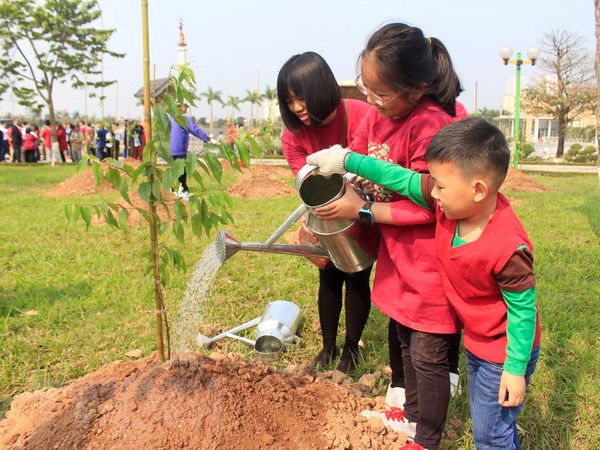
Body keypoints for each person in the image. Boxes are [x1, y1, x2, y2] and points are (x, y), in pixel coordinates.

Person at [307, 117, 541, 450]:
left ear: (478, 190)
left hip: (505, 350)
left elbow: (523, 310)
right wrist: (345, 159)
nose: (433, 191)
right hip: (478, 341)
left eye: (441, 186)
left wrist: (515, 369)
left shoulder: (508, 248)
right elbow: (398, 178)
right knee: (488, 420)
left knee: (491, 433)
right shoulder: (451, 203)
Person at [308, 23, 466, 450]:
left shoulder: (429, 126)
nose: (372, 102)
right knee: (401, 335)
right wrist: (333, 179)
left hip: (429, 263)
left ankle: (426, 438)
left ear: (415, 88)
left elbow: (431, 204)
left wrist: (362, 210)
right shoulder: (378, 118)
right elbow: (356, 164)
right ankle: (411, 415)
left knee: (428, 353)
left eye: (382, 94)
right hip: (398, 257)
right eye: (367, 89)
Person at [277, 51, 373, 373]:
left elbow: (372, 167)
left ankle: (351, 350)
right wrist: (310, 222)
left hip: (361, 208)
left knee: (357, 275)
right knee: (328, 275)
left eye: (301, 98)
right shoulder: (293, 136)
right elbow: (307, 182)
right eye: (289, 101)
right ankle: (329, 348)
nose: (297, 108)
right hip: (322, 211)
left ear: (322, 88)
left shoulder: (363, 115)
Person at [168, 103, 210, 200]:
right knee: (183, 169)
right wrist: (206, 138)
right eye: (185, 106)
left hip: (172, 148)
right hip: (180, 148)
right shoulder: (184, 118)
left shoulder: (171, 116)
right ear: (179, 107)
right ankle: (183, 190)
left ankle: (172, 188)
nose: (186, 109)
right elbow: (194, 129)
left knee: (175, 168)